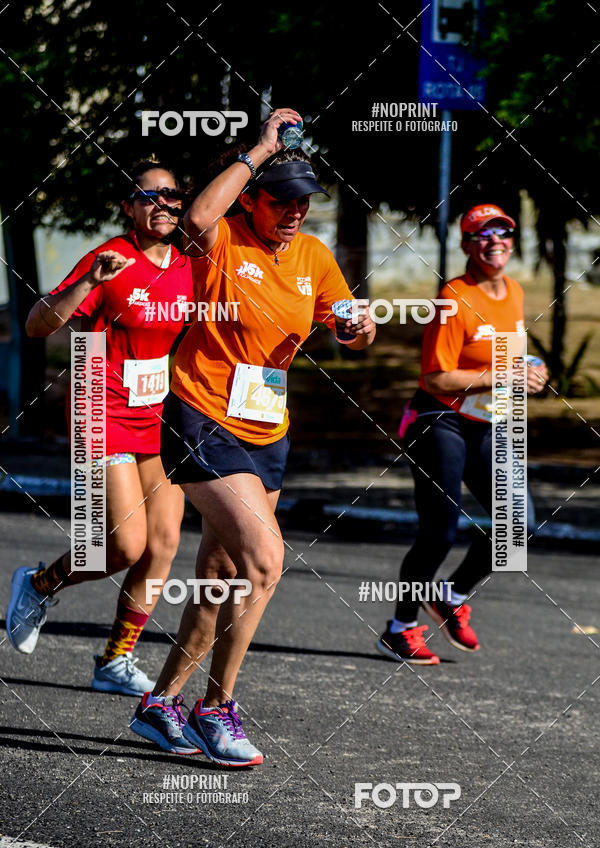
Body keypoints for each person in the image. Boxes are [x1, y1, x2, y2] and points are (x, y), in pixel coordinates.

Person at [130, 108, 376, 764]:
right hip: (199, 417)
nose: (296, 212)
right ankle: (216, 708)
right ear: (254, 199)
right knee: (266, 560)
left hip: (267, 430)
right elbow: (195, 219)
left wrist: (357, 326)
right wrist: (262, 146)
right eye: (283, 200)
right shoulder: (224, 237)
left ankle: (160, 703)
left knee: (220, 571)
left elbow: (344, 316)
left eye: (305, 202)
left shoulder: (313, 255)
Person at [6, 160, 193, 696]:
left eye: (171, 195)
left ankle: (115, 661)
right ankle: (40, 584)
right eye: (148, 195)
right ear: (129, 206)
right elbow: (36, 323)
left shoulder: (188, 264)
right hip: (100, 406)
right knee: (124, 546)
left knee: (163, 544)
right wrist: (89, 280)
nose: (162, 204)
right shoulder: (110, 258)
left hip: (157, 414)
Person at [377, 204, 548, 664]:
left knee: (518, 526)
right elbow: (435, 378)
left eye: (504, 233)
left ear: (512, 242)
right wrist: (503, 374)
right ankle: (399, 627)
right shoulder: (454, 297)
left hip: (488, 421)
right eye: (482, 234)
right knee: (440, 530)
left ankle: (450, 594)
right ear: (467, 244)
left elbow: (507, 356)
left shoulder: (512, 290)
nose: (495, 241)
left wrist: (531, 370)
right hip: (439, 419)